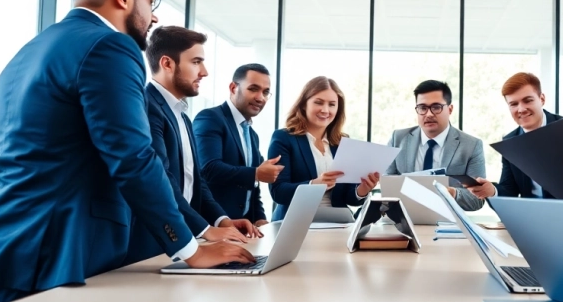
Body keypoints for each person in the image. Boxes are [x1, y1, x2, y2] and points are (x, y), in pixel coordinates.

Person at [0, 0, 253, 302]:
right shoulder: (110, 46)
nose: (153, 15)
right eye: (151, 0)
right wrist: (190, 250)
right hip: (56, 256)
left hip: (0, 253)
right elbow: (133, 157)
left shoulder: (30, 49)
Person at [141, 26, 261, 263]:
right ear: (167, 63)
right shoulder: (147, 107)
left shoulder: (183, 116)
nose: (204, 72)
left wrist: (221, 221)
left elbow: (197, 182)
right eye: (196, 62)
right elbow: (161, 179)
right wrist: (205, 230)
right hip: (155, 242)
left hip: (187, 242)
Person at [467, 72, 563, 246]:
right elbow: (510, 190)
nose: (521, 109)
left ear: (542, 99)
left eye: (528, 100)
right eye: (513, 104)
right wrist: (491, 191)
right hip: (539, 232)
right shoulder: (510, 142)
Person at [268, 77, 379, 221]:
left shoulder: (342, 143)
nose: (325, 110)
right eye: (318, 102)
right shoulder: (284, 138)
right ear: (303, 105)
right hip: (296, 222)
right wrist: (314, 184)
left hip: (338, 222)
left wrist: (363, 189)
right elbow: (279, 192)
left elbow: (350, 199)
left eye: (332, 105)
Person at [195, 63, 282, 228]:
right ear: (233, 88)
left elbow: (252, 188)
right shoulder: (210, 118)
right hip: (211, 225)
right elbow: (208, 169)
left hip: (242, 228)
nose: (260, 98)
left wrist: (260, 219)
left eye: (265, 92)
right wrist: (256, 173)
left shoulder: (252, 134)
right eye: (253, 89)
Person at [383, 80, 486, 211]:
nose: (429, 114)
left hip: (449, 223)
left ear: (450, 109)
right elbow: (387, 186)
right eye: (422, 108)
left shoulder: (471, 146)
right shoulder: (397, 139)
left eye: (436, 107)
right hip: (403, 219)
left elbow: (477, 199)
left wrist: (452, 193)